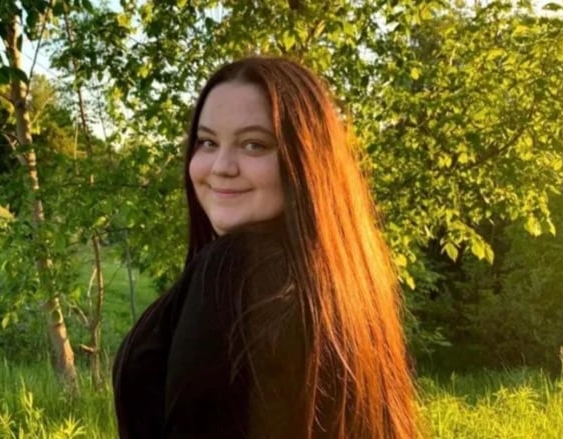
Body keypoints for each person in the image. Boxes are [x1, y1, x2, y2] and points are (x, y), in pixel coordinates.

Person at [113, 56, 417, 439]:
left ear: (304, 161)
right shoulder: (340, 279)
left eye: (254, 145)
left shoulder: (235, 269)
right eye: (207, 142)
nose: (222, 166)